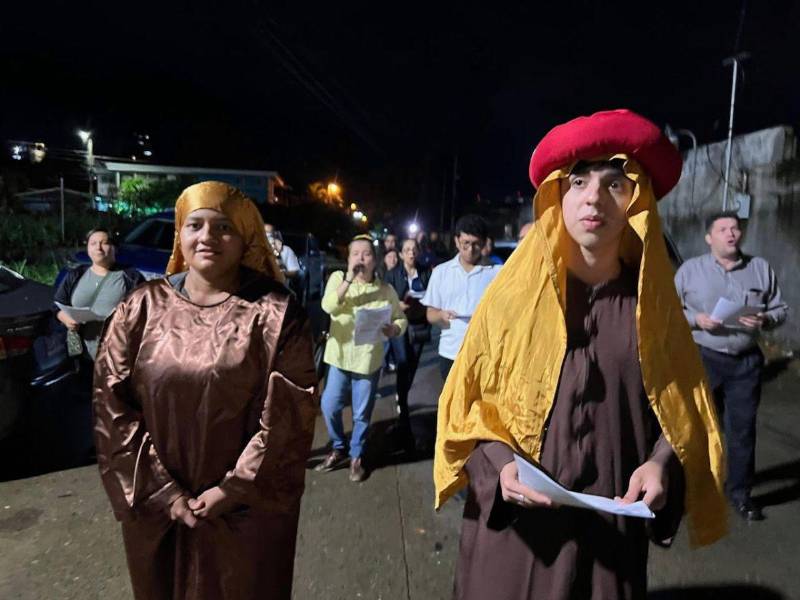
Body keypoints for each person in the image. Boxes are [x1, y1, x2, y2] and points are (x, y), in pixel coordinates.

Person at [434, 110, 728, 600]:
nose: (593, 196)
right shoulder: (509, 300)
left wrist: (661, 465)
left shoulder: (654, 310)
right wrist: (502, 466)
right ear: (558, 196)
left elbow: (683, 413)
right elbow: (469, 405)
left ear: (638, 201)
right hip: (516, 536)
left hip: (609, 530)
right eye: (578, 181)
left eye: (615, 183)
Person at [93, 181, 318, 600]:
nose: (207, 237)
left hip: (246, 514)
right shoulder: (137, 310)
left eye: (224, 227)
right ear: (180, 233)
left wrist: (231, 490)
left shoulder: (277, 314)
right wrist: (163, 491)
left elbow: (288, 417)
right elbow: (112, 408)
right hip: (160, 508)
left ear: (246, 237)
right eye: (195, 225)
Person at [674, 211, 787, 521]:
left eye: (735, 228)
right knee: (696, 428)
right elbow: (669, 308)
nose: (731, 233)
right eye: (723, 229)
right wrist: (696, 319)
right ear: (709, 237)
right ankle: (688, 492)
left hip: (745, 362)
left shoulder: (760, 269)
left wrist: (766, 319)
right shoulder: (690, 271)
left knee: (742, 431)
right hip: (703, 357)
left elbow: (780, 308)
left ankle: (740, 494)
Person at [315, 234, 407, 482]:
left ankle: (356, 456)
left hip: (368, 360)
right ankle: (338, 446)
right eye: (355, 253)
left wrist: (394, 329)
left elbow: (400, 318)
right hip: (339, 357)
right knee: (330, 405)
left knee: (361, 413)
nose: (360, 258)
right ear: (348, 258)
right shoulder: (337, 279)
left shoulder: (385, 290)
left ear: (374, 260)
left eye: (366, 254)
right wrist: (347, 279)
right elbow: (328, 306)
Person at [421, 214, 500, 381]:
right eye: (466, 244)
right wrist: (441, 315)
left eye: (476, 244)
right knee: (451, 404)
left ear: (484, 243)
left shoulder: (497, 273)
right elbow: (430, 313)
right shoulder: (441, 272)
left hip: (484, 354)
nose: (470, 250)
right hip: (450, 352)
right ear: (456, 241)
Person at [54, 228, 145, 362]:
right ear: (88, 248)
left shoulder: (131, 277)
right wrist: (66, 319)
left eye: (104, 243)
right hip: (78, 354)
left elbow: (145, 311)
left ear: (114, 248)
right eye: (93, 243)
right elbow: (56, 305)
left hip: (114, 357)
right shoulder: (76, 275)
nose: (98, 247)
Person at [384, 238, 432, 453]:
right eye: (407, 250)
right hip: (400, 325)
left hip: (420, 325)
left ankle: (402, 397)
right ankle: (403, 412)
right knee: (403, 364)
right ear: (401, 254)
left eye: (414, 249)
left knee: (412, 367)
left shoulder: (426, 272)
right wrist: (398, 305)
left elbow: (435, 297)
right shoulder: (392, 274)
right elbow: (385, 300)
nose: (411, 253)